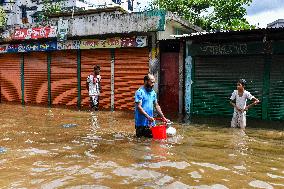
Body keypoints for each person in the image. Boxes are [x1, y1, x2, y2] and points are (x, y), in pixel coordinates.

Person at [134, 74, 168, 138]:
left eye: (154, 82)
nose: (153, 84)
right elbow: (139, 107)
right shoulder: (140, 92)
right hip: (141, 124)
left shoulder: (153, 93)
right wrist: (148, 117)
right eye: (151, 82)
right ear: (146, 81)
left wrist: (163, 117)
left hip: (151, 122)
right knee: (140, 143)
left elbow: (156, 105)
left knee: (153, 141)